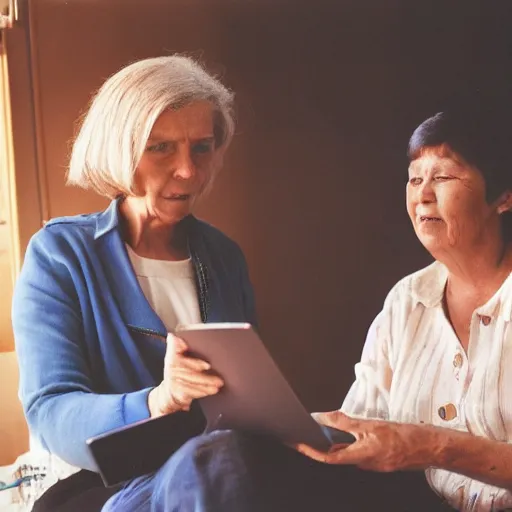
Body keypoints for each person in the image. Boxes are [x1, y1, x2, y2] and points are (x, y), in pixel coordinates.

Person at [98, 95, 512, 512]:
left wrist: (433, 447)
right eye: (414, 178)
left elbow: (412, 448)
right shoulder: (408, 301)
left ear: (503, 196)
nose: (422, 195)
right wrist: (292, 431)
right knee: (219, 458)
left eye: (443, 177)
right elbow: (360, 426)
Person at [12, 55, 257, 511]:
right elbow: (51, 412)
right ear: (119, 150)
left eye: (201, 147)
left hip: (217, 474)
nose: (187, 170)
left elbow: (243, 404)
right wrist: (159, 400)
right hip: (100, 485)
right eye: (161, 147)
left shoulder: (224, 258)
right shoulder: (60, 255)